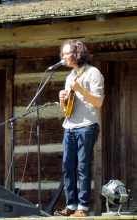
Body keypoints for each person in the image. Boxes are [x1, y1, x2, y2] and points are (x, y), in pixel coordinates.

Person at [55, 39, 104, 217]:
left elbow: (98, 102)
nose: (63, 57)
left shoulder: (93, 73)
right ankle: (71, 204)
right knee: (68, 166)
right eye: (63, 54)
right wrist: (62, 100)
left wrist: (81, 90)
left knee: (83, 166)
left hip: (87, 126)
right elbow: (67, 111)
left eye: (66, 53)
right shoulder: (70, 77)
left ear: (77, 53)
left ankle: (83, 207)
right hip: (70, 126)